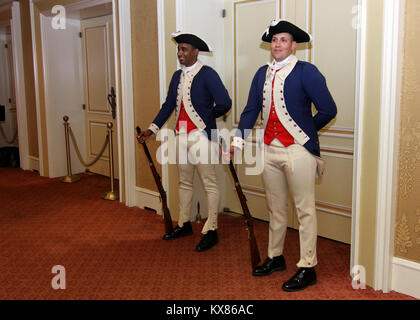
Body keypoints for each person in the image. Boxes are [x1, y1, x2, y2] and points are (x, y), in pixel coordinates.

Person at [230, 20, 337, 291]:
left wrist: (305, 133)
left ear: (294, 45)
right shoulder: (261, 73)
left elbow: (328, 109)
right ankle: (275, 257)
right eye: (275, 40)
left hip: (298, 151)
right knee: (275, 208)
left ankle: (307, 266)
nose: (278, 44)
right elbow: (250, 110)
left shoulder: (306, 71)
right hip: (268, 150)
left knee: (305, 210)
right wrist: (237, 140)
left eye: (283, 40)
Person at [137, 32, 231, 252]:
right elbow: (168, 105)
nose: (180, 53)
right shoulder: (176, 77)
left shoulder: (207, 74)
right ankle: (184, 223)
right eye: (178, 49)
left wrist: (207, 117)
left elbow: (225, 103)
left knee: (210, 184)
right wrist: (151, 130)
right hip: (180, 136)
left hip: (202, 137)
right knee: (184, 182)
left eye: (184, 49)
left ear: (195, 52)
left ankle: (211, 229)